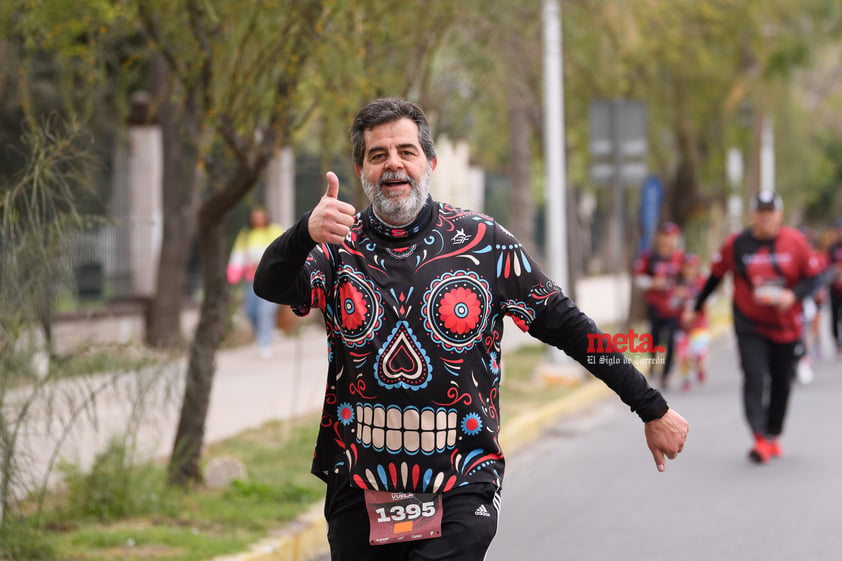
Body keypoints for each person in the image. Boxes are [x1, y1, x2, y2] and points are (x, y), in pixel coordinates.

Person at [254, 98, 688, 561]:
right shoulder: (338, 247)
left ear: (430, 163)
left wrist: (650, 406)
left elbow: (568, 327)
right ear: (360, 169)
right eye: (378, 155)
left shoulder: (483, 244)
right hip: (360, 483)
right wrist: (304, 232)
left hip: (460, 478)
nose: (393, 164)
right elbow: (271, 284)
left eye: (406, 151)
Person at [686, 192, 823, 464]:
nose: (765, 216)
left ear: (779, 215)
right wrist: (696, 306)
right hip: (750, 324)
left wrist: (792, 296)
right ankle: (759, 437)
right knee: (754, 376)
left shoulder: (794, 242)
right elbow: (715, 275)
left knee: (782, 381)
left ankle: (773, 433)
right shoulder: (737, 244)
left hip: (786, 325)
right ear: (752, 215)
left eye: (770, 211)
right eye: (760, 211)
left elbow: (814, 278)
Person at [632, 221, 685, 389]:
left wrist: (683, 292)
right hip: (655, 306)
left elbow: (691, 278)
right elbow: (638, 277)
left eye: (671, 236)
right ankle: (653, 364)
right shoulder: (650, 257)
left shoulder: (681, 258)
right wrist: (652, 283)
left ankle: (666, 374)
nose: (668, 240)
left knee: (670, 339)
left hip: (673, 308)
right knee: (653, 337)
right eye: (665, 235)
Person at [227, 206, 284, 358]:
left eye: (261, 215)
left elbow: (284, 251)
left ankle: (265, 342)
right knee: (250, 311)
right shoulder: (246, 234)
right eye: (255, 216)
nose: (258, 219)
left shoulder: (274, 231)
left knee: (265, 311)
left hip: (271, 279)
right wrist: (234, 270)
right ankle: (263, 332)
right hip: (251, 280)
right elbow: (238, 254)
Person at [673, 253, 710, 392]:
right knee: (683, 355)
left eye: (692, 267)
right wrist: (678, 296)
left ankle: (701, 368)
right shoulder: (677, 284)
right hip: (682, 327)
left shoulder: (702, 283)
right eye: (686, 267)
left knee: (699, 354)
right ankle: (686, 379)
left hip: (699, 326)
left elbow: (708, 303)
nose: (689, 270)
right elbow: (672, 305)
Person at [827, 217, 842, 358]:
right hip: (834, 289)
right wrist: (834, 272)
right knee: (834, 319)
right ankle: (838, 343)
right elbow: (825, 267)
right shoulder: (832, 248)